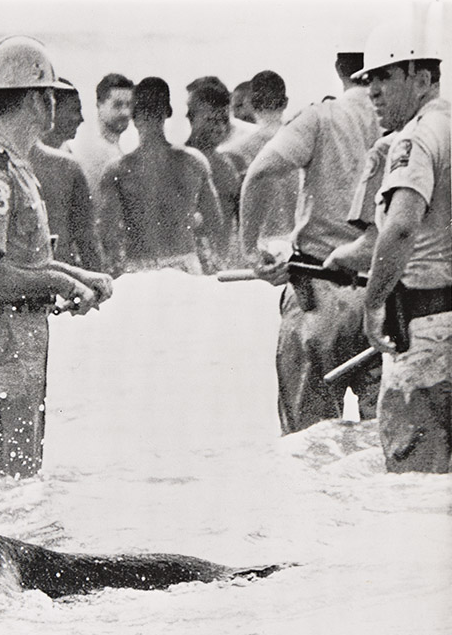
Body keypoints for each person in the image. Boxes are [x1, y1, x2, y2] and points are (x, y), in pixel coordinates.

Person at [0, 36, 113, 478]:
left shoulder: (11, 165)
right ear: (40, 100)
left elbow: (20, 262)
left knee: (20, 480)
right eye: (51, 96)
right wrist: (62, 283)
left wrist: (78, 276)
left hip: (13, 338)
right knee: (5, 484)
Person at [239, 51, 383, 435]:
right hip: (388, 299)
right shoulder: (405, 122)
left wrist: (252, 250)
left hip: (320, 293)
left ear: (339, 68)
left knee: (308, 446)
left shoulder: (322, 117)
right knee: (386, 449)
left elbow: (261, 173)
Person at [355, 16, 452, 473]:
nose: (373, 90)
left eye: (384, 76)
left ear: (423, 79)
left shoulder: (415, 138)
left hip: (425, 332)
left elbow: (401, 228)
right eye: (368, 80)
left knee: (411, 487)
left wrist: (373, 303)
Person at [96, 77, 225, 275]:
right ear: (168, 112)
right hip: (185, 267)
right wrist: (183, 221)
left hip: (139, 268)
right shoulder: (194, 162)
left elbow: (108, 233)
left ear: (133, 114)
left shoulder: (117, 170)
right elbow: (215, 222)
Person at [29, 81, 103, 270]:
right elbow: (87, 239)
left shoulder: (68, 161)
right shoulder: (65, 166)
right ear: (50, 109)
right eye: (74, 110)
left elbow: (85, 233)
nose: (80, 119)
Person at [185, 78, 243, 249]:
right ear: (191, 119)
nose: (219, 128)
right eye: (211, 120)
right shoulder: (179, 161)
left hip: (224, 263)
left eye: (224, 121)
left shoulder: (233, 163)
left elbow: (240, 221)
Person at [62, 72, 135, 198]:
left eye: (128, 105)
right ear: (99, 105)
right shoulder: (77, 147)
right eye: (117, 105)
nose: (125, 112)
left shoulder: (129, 148)